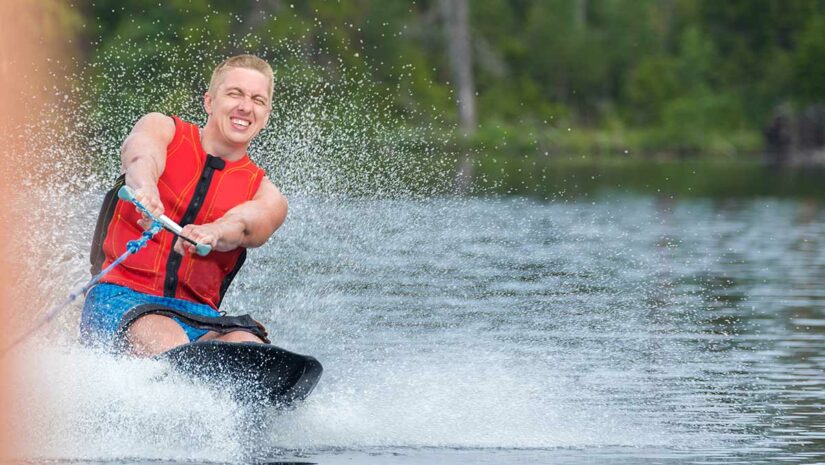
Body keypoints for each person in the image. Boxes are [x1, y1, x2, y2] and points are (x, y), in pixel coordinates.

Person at [81, 55, 287, 356]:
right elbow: (141, 155)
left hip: (198, 316)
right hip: (119, 296)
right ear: (209, 102)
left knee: (248, 348)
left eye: (257, 99)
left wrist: (214, 232)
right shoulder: (162, 129)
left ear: (266, 115)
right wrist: (146, 188)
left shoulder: (267, 195)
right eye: (235, 94)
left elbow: (245, 224)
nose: (245, 106)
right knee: (166, 336)